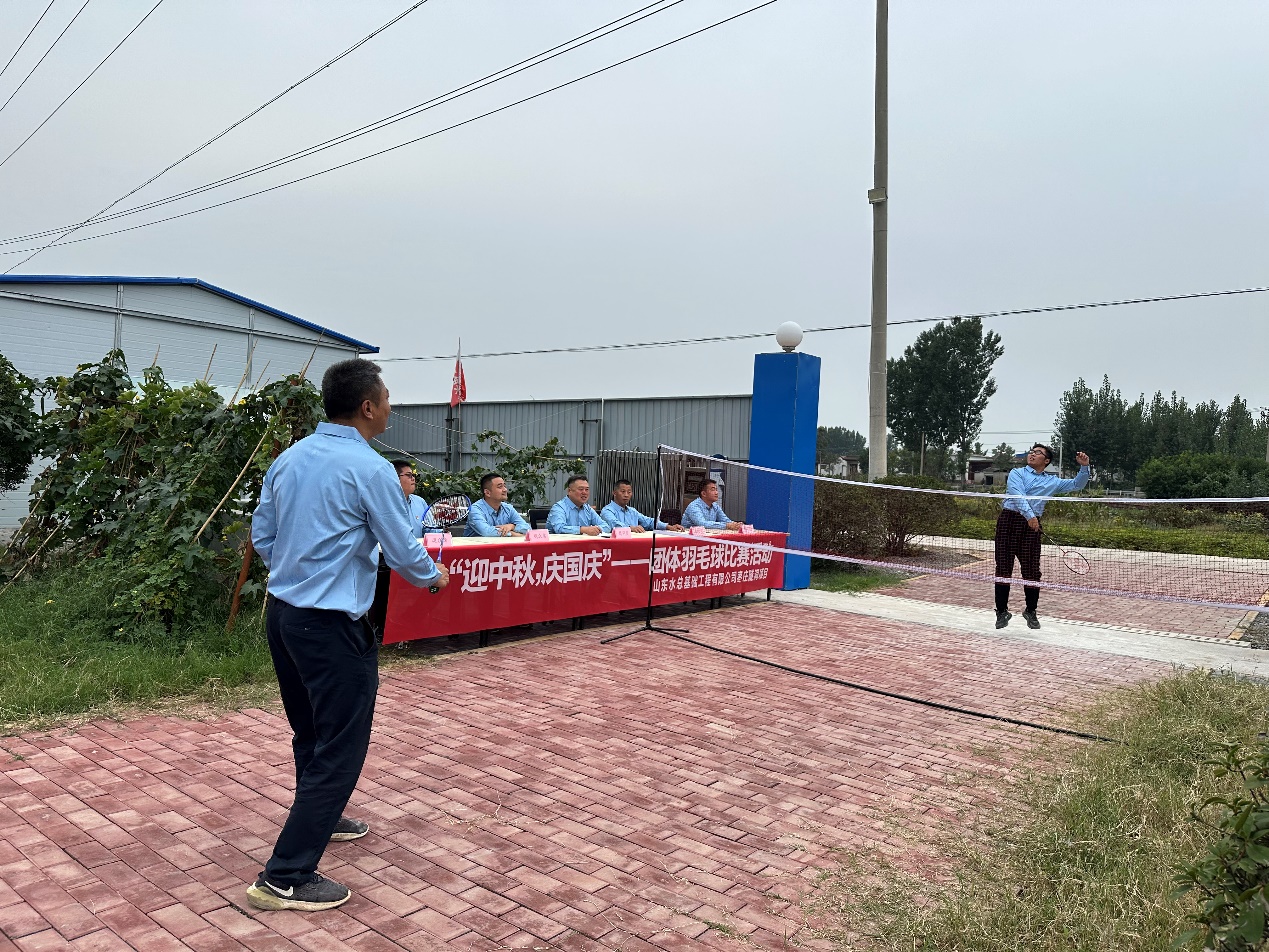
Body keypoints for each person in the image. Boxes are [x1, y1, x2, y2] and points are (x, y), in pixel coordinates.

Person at [247, 359, 450, 913]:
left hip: (285, 616)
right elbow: (402, 548)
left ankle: (324, 815)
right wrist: (433, 576)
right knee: (341, 744)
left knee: (311, 730)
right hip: (332, 626)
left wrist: (297, 570)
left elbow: (262, 533)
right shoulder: (371, 468)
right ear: (367, 406)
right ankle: (286, 875)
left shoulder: (290, 459)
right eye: (386, 398)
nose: (390, 407)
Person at [994, 443, 1091, 631]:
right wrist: (1030, 516)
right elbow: (1017, 495)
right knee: (1003, 568)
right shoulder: (1017, 473)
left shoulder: (1052, 482)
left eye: (1037, 453)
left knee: (1032, 571)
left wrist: (1084, 467)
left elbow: (1076, 484)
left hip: (1031, 527)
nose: (1032, 454)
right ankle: (1001, 611)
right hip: (1009, 521)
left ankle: (1031, 611)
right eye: (1031, 451)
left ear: (1046, 461)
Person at [600, 479, 683, 532]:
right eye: (623, 491)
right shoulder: (607, 511)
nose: (626, 495)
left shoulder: (632, 511)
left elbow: (649, 521)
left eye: (629, 492)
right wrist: (631, 528)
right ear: (614, 493)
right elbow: (614, 524)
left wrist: (668, 527)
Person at [465, 472, 531, 536]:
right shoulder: (475, 509)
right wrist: (512, 534)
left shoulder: (508, 508)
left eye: (504, 486)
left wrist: (512, 526)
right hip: (475, 544)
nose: (505, 490)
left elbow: (528, 529)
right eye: (500, 487)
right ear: (487, 492)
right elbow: (487, 532)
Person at [546, 475, 611, 535]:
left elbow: (606, 526)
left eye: (587, 489)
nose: (584, 492)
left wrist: (596, 529)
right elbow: (559, 528)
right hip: (561, 543)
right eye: (581, 489)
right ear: (569, 491)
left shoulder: (587, 508)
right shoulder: (559, 508)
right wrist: (582, 530)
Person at [393, 460, 430, 538]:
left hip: (418, 546)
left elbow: (430, 530)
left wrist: (442, 525)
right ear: (395, 478)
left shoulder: (420, 502)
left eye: (413, 475)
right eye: (408, 475)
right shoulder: (385, 504)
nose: (413, 478)